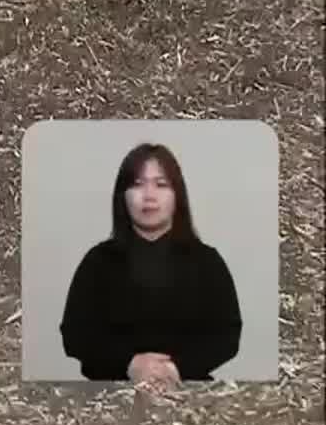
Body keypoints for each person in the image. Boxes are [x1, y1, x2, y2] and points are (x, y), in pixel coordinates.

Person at [59, 142, 243, 387]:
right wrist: (130, 364)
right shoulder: (98, 261)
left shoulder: (207, 261)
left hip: (189, 394)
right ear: (122, 195)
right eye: (137, 184)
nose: (149, 195)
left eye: (161, 184)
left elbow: (227, 336)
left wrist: (176, 368)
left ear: (177, 195)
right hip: (108, 396)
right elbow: (74, 335)